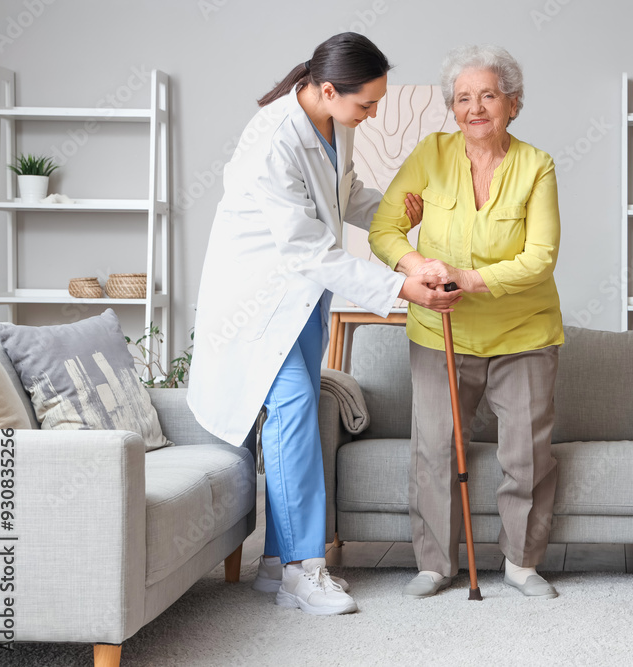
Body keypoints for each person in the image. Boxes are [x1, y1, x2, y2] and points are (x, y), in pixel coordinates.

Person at [187, 33, 461, 616]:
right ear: (329, 89)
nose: (373, 114)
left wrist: (397, 210)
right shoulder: (272, 139)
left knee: (300, 414)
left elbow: (344, 195)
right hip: (261, 301)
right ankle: (303, 571)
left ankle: (273, 563)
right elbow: (307, 249)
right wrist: (399, 288)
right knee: (292, 420)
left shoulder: (336, 122)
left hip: (303, 298)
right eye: (366, 104)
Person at [369, 44, 563, 599]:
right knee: (433, 448)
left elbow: (540, 257)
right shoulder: (430, 156)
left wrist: (467, 278)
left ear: (513, 104)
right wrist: (416, 266)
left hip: (523, 334)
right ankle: (435, 564)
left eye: (488, 95)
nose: (475, 108)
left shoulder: (536, 166)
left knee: (525, 454)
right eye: (462, 98)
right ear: (452, 108)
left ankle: (522, 564)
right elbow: (385, 229)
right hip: (440, 332)